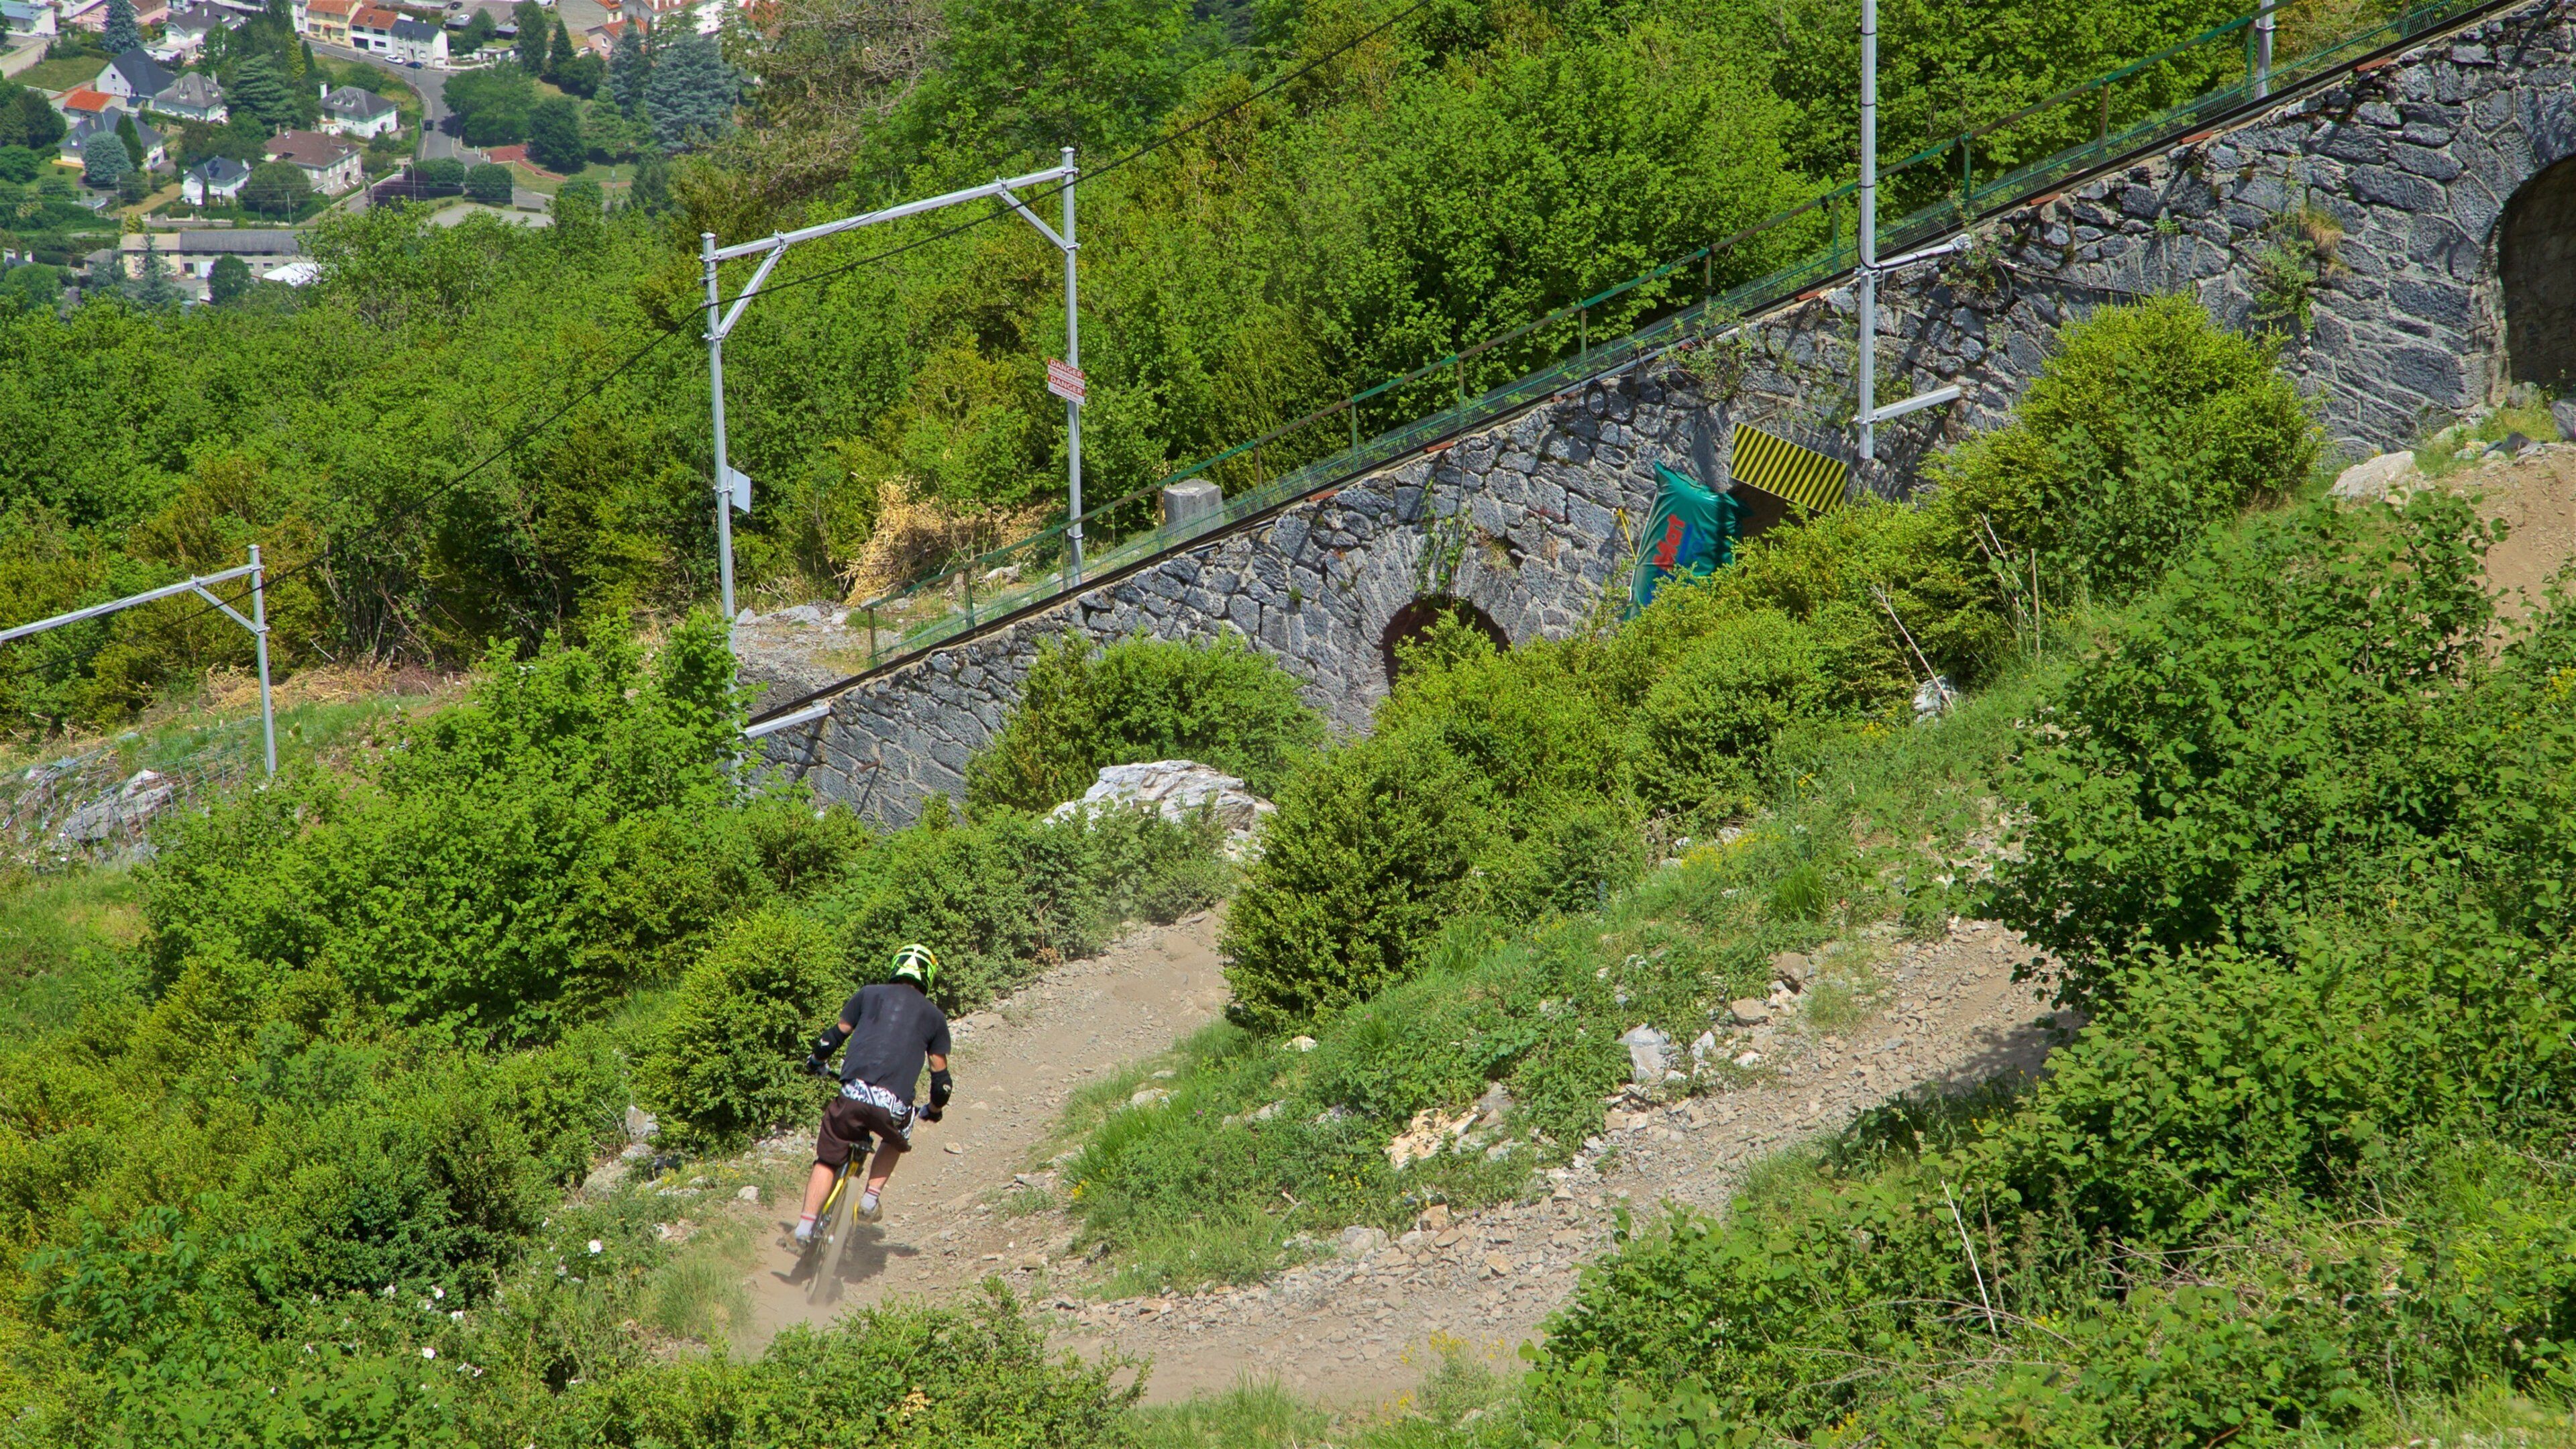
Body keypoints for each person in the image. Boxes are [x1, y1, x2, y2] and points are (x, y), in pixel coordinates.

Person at [796, 943, 953, 1238]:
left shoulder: (867, 994)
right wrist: (933, 1110)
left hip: (853, 1094)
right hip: (892, 1105)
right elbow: (942, 1083)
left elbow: (831, 1040)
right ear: (928, 977)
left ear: (895, 968)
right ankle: (870, 1198)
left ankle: (803, 1229)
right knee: (897, 1134)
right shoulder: (935, 1018)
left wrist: (816, 1062)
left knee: (827, 1160)